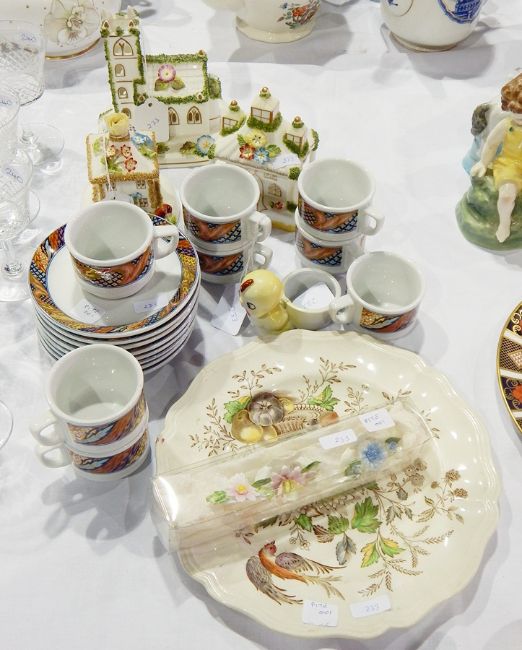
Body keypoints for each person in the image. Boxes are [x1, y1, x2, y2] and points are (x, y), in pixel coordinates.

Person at [471, 74, 522, 243]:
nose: (518, 117)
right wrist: (483, 162)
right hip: (510, 165)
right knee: (506, 196)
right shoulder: (506, 125)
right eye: (514, 112)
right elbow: (492, 144)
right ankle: (504, 224)